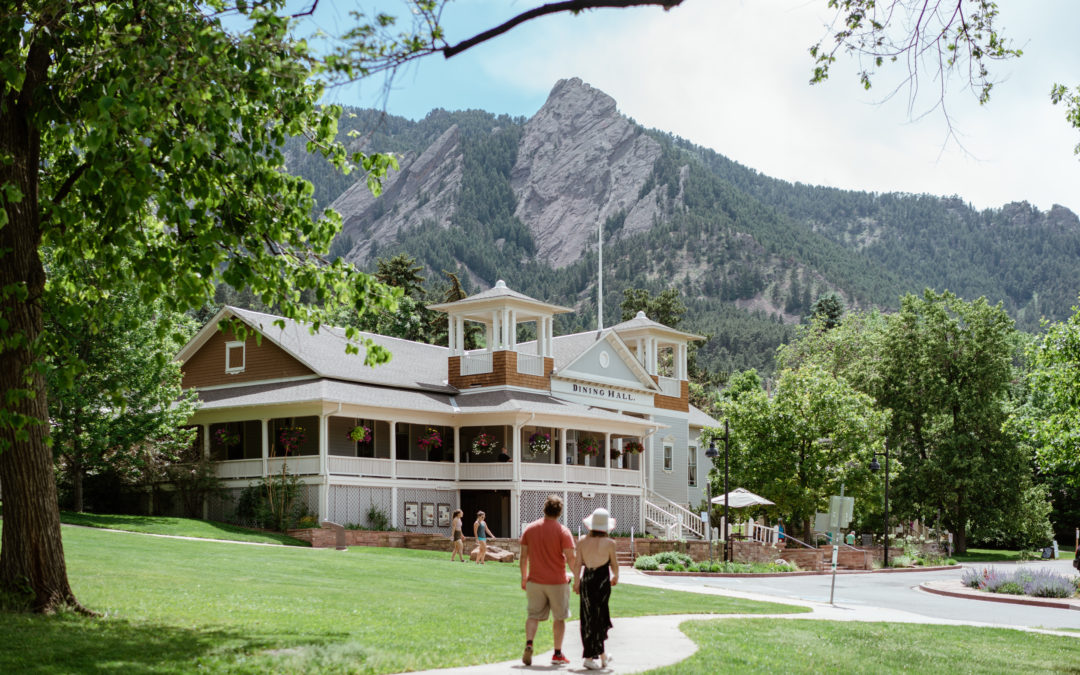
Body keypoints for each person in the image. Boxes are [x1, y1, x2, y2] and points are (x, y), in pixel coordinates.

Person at [519, 494, 576, 667]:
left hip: (535, 581)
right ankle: (557, 654)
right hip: (557, 581)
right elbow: (571, 558)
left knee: (533, 616)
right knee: (559, 618)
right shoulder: (563, 531)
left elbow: (523, 557)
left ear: (544, 509)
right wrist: (579, 577)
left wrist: (524, 577)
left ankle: (529, 644)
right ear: (559, 512)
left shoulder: (530, 529)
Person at [573, 507, 619, 671]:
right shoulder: (609, 543)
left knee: (587, 617)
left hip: (587, 579)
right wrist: (616, 577)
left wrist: (576, 582)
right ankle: (591, 657)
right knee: (599, 616)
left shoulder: (582, 541)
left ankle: (601, 655)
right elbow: (614, 565)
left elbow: (577, 564)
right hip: (602, 581)